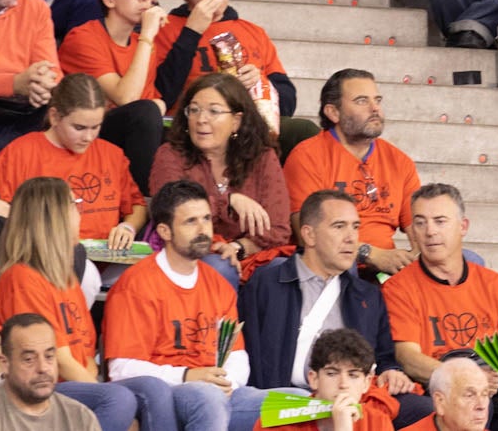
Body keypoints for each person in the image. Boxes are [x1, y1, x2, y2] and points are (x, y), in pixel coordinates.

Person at [383, 185, 498, 431]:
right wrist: (468, 382)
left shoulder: (496, 285)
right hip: (445, 404)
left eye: (440, 221)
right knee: (473, 399)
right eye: (420, 223)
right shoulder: (399, 287)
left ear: (463, 227)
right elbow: (408, 358)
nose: (430, 232)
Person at [237, 190, 424, 427]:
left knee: (426, 409)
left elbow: (384, 356)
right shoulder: (266, 284)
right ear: (309, 235)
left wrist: (391, 370)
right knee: (309, 404)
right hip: (280, 400)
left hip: (349, 396)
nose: (352, 238)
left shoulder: (366, 295)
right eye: (339, 226)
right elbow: (244, 347)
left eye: (355, 227)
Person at [103, 179, 268, 430]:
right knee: (208, 399)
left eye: (206, 219)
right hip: (169, 396)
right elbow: (121, 368)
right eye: (191, 221)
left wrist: (228, 383)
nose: (203, 229)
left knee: (296, 404)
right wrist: (187, 376)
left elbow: (236, 354)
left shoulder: (217, 283)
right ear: (165, 231)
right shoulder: (135, 285)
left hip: (219, 394)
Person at [0, 177, 148, 431]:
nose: (80, 212)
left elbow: (86, 353)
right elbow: (59, 359)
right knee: (119, 400)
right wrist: (101, 396)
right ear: (52, 217)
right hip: (43, 384)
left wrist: (99, 391)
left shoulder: (64, 276)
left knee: (150, 389)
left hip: (76, 382)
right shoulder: (22, 277)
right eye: (73, 204)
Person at [149, 75, 290, 288]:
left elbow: (278, 230)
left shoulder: (262, 157)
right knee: (220, 266)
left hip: (248, 254)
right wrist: (229, 200)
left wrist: (237, 247)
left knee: (283, 272)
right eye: (194, 110)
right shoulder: (170, 155)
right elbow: (173, 212)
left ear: (236, 121)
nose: (201, 119)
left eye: (213, 111)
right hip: (190, 254)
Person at [282, 69, 421, 278]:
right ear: (333, 112)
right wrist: (369, 254)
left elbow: (420, 228)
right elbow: (308, 234)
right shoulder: (307, 156)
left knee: (467, 260)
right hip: (334, 265)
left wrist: (419, 257)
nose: (375, 109)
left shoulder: (399, 161)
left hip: (388, 267)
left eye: (378, 100)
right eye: (361, 101)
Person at [150, 0, 300, 128]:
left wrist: (260, 82)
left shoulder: (254, 32)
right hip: (190, 127)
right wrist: (191, 32)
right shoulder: (163, 28)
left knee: (301, 129)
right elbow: (161, 96)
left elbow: (287, 104)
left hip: (247, 129)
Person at [0, 73, 143, 249]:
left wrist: (127, 228)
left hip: (107, 262)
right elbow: (1, 207)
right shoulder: (20, 152)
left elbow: (136, 206)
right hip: (45, 258)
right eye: (79, 128)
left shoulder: (112, 154)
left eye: (96, 127)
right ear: (55, 117)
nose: (88, 137)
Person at [55, 0, 164, 187]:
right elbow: (128, 99)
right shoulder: (83, 38)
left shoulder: (142, 43)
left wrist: (145, 39)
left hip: (122, 129)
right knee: (144, 114)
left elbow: (151, 103)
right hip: (82, 130)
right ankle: (145, 202)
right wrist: (147, 35)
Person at [250, 328, 399, 431]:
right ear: (313, 379)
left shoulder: (378, 421)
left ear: (366, 383)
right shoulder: (277, 421)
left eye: (353, 375)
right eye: (332, 373)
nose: (343, 384)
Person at [0, 0, 59, 154]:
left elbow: (51, 70)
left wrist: (43, 83)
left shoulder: (35, 7)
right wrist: (14, 83)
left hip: (22, 108)